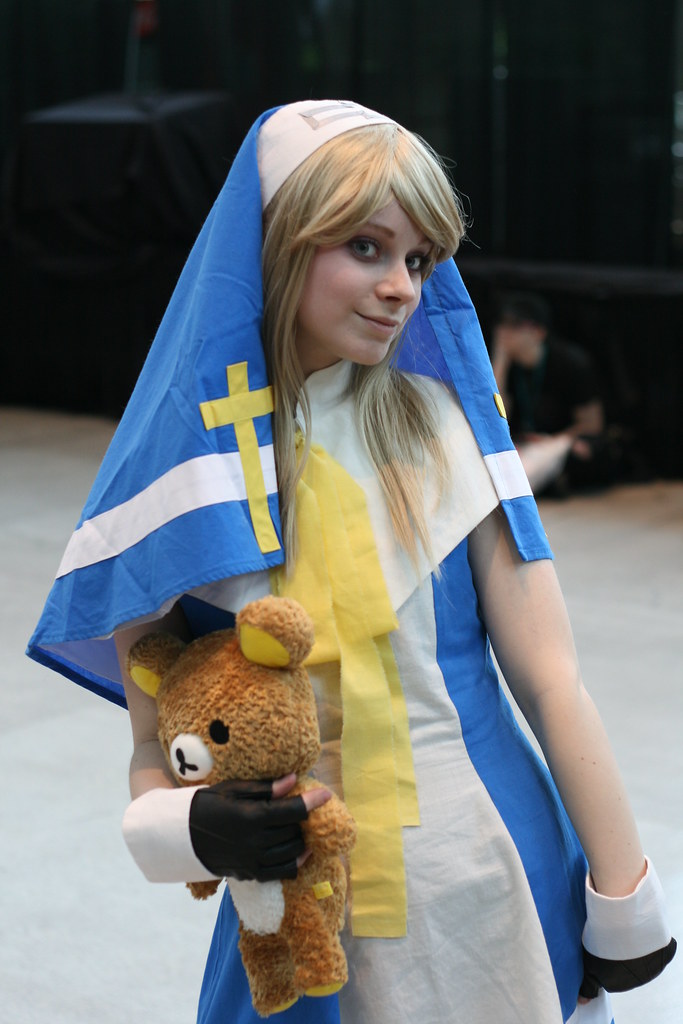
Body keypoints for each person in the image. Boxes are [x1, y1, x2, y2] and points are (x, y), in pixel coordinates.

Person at [28, 100, 675, 1023]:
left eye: (416, 258)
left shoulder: (448, 431)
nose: (401, 286)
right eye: (364, 247)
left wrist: (622, 893)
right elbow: (151, 742)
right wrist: (191, 827)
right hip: (297, 926)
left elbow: (550, 679)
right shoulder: (178, 477)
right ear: (281, 244)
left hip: (492, 875)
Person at [490, 291, 608, 494]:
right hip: (522, 444)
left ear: (538, 332)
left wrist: (552, 441)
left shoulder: (570, 363)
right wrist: (500, 360)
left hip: (560, 443)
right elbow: (495, 419)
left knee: (563, 453)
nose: (504, 332)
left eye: (515, 325)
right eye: (502, 324)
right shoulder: (507, 368)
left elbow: (592, 424)